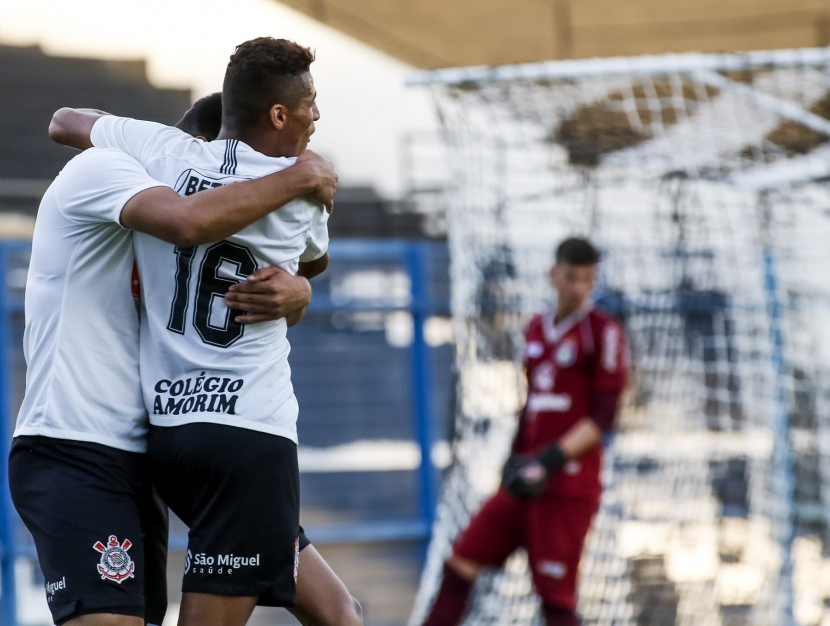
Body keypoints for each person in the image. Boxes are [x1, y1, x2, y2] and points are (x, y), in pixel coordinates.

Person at [51, 37, 353, 626]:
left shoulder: (163, 154)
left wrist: (165, 135)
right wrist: (302, 281)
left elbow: (66, 122)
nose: (316, 117)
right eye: (310, 104)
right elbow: (310, 264)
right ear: (279, 114)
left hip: (170, 437)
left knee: (340, 611)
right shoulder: (301, 189)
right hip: (248, 437)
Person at [420, 237, 629, 626]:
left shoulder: (602, 331)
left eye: (588, 279)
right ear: (554, 275)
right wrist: (514, 459)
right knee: (461, 561)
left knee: (556, 601)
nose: (579, 288)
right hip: (526, 478)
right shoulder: (535, 326)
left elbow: (604, 418)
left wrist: (549, 460)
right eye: (571, 277)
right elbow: (531, 403)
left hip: (566, 486)